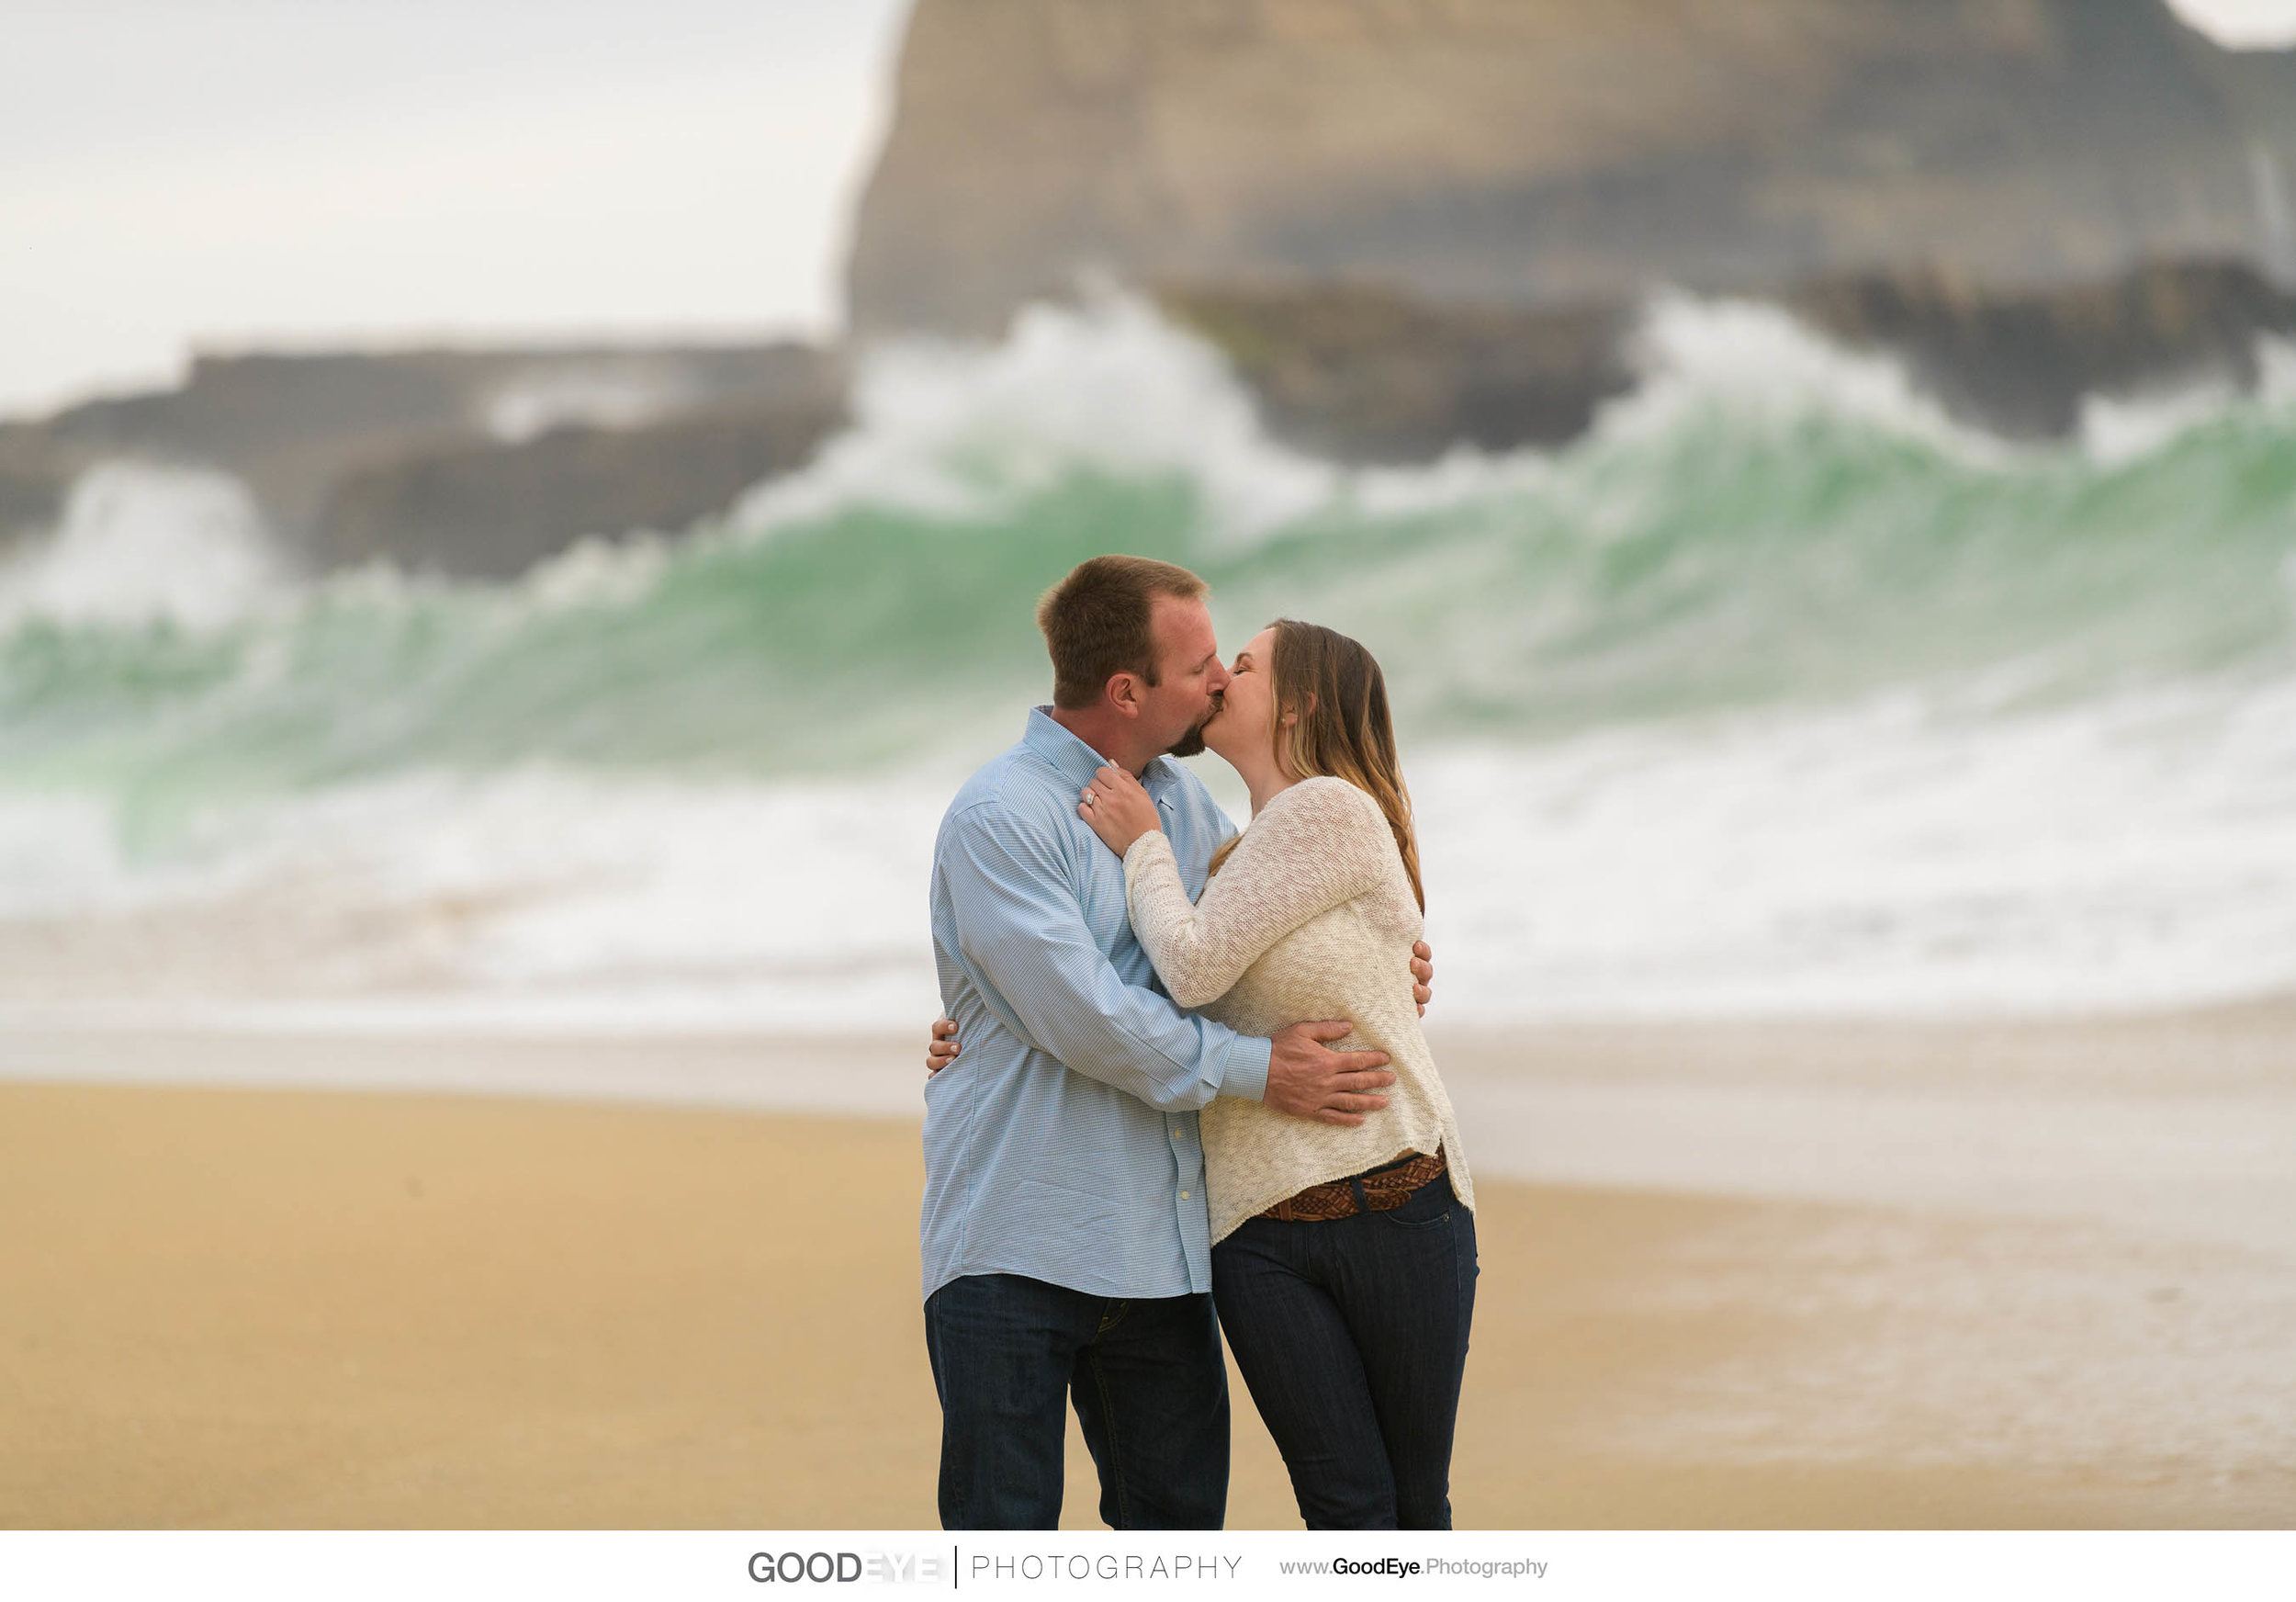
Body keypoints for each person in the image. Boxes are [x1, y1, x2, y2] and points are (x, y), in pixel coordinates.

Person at [921, 555, 1434, 1532]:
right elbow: (1084, 1013)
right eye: (1201, 661)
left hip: (1161, 1262)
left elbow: (1254, 957)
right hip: (1015, 1245)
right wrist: (1260, 1071)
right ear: (1126, 690)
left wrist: (1388, 972)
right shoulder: (1001, 815)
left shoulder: (1189, 813)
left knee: (1179, 1552)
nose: (1218, 682)